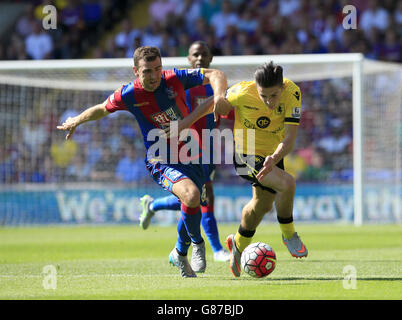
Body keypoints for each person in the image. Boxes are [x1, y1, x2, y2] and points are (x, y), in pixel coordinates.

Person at [57, 46, 228, 277]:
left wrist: (217, 98)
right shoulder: (128, 94)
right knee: (191, 195)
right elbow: (101, 109)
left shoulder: (173, 78)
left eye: (158, 69)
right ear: (136, 71)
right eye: (148, 71)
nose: (155, 75)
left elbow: (215, 74)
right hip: (160, 158)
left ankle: (179, 252)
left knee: (192, 201)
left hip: (191, 153)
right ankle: (199, 245)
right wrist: (77, 120)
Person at [215, 61, 308, 277]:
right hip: (245, 154)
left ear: (282, 88)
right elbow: (216, 102)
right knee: (287, 184)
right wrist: (188, 123)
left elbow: (290, 138)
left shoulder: (293, 92)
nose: (268, 101)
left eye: (273, 96)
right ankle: (288, 233)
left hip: (273, 154)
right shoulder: (241, 92)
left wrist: (274, 157)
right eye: (263, 95)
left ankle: (237, 245)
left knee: (262, 206)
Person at [139, 41, 230, 263]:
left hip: (208, 148)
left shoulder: (216, 87)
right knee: (202, 197)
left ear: (210, 58)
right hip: (185, 150)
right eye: (195, 55)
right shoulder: (180, 86)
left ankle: (152, 205)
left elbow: (224, 116)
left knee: (194, 197)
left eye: (204, 54)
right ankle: (216, 249)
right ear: (188, 59)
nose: (199, 58)